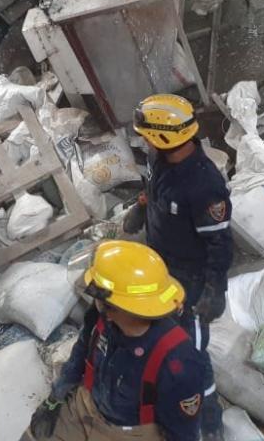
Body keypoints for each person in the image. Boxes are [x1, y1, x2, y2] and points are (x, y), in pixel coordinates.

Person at [126, 93, 232, 438]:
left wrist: (214, 291)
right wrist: (141, 208)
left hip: (191, 283)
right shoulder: (160, 159)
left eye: (147, 136)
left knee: (192, 356)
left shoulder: (204, 186)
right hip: (160, 268)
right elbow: (154, 191)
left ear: (163, 137)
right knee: (158, 340)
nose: (143, 141)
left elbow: (220, 243)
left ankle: (210, 423)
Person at [26, 240, 207, 441]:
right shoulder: (100, 318)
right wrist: (55, 398)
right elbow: (80, 353)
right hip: (86, 406)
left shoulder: (178, 363)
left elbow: (183, 433)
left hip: (130, 432)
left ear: (112, 308)